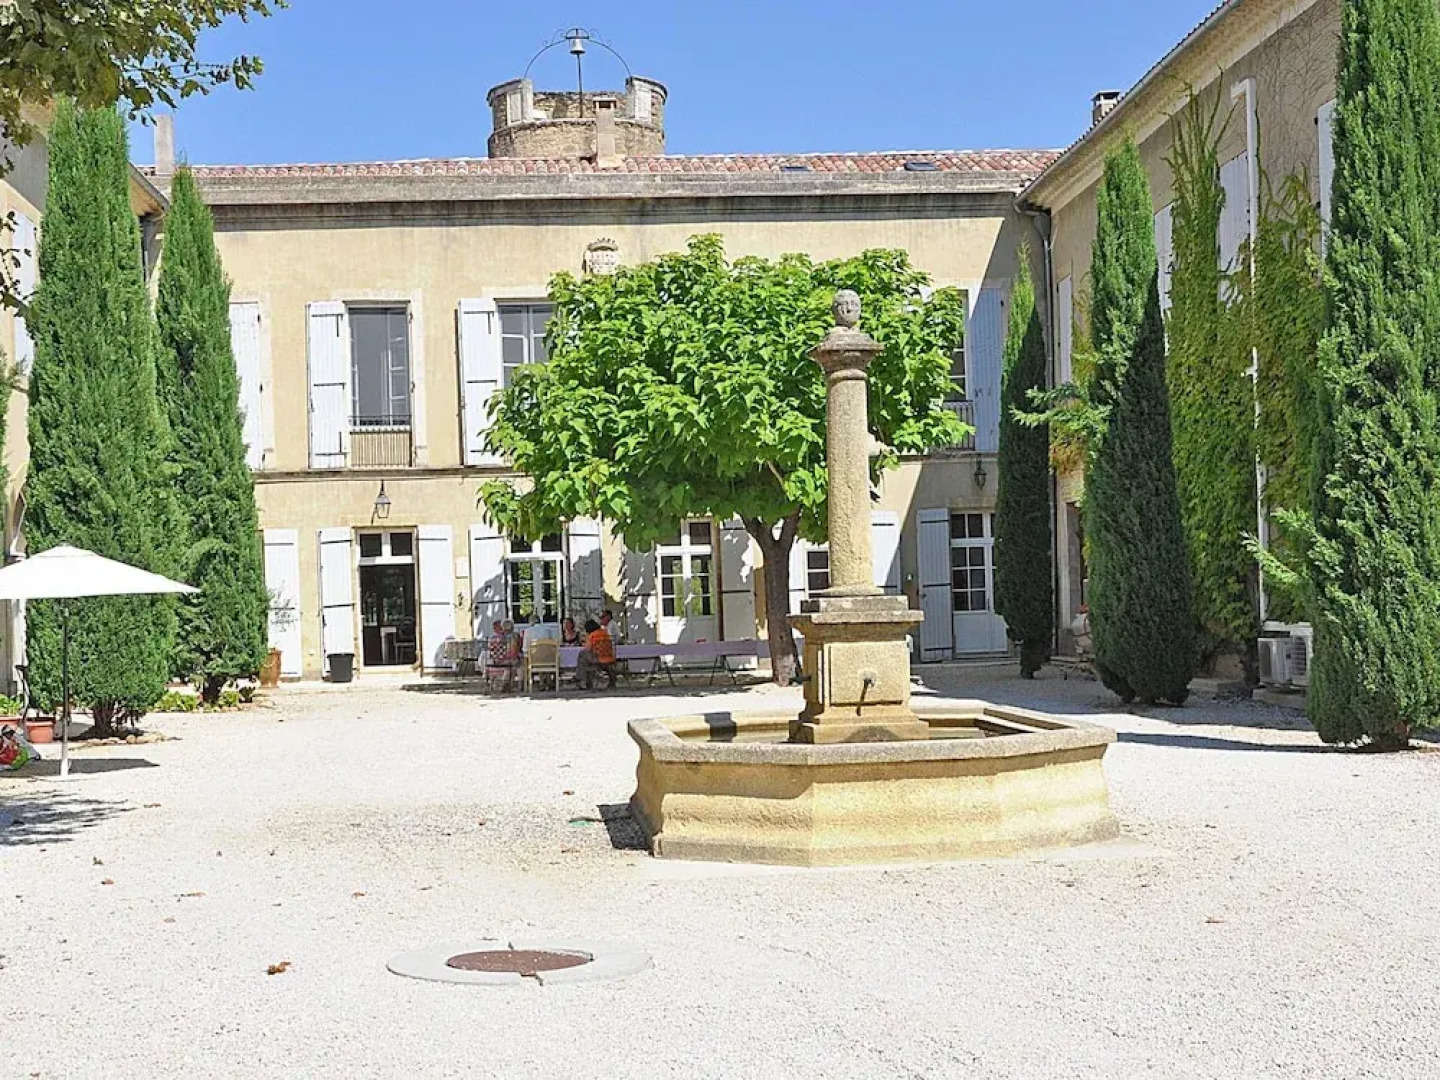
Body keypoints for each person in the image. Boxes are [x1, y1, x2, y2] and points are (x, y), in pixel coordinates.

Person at [576, 618, 617, 691]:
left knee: (582, 655)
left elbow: (588, 648)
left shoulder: (593, 635)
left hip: (598, 659)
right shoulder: (605, 633)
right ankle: (584, 679)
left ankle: (581, 679)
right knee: (584, 660)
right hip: (609, 658)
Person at [487, 619, 522, 692]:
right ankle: (515, 684)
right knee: (518, 663)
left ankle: (505, 684)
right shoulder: (515, 636)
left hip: (496, 661)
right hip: (509, 661)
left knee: (510, 665)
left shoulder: (495, 637)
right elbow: (517, 649)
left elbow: (490, 649)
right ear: (512, 627)